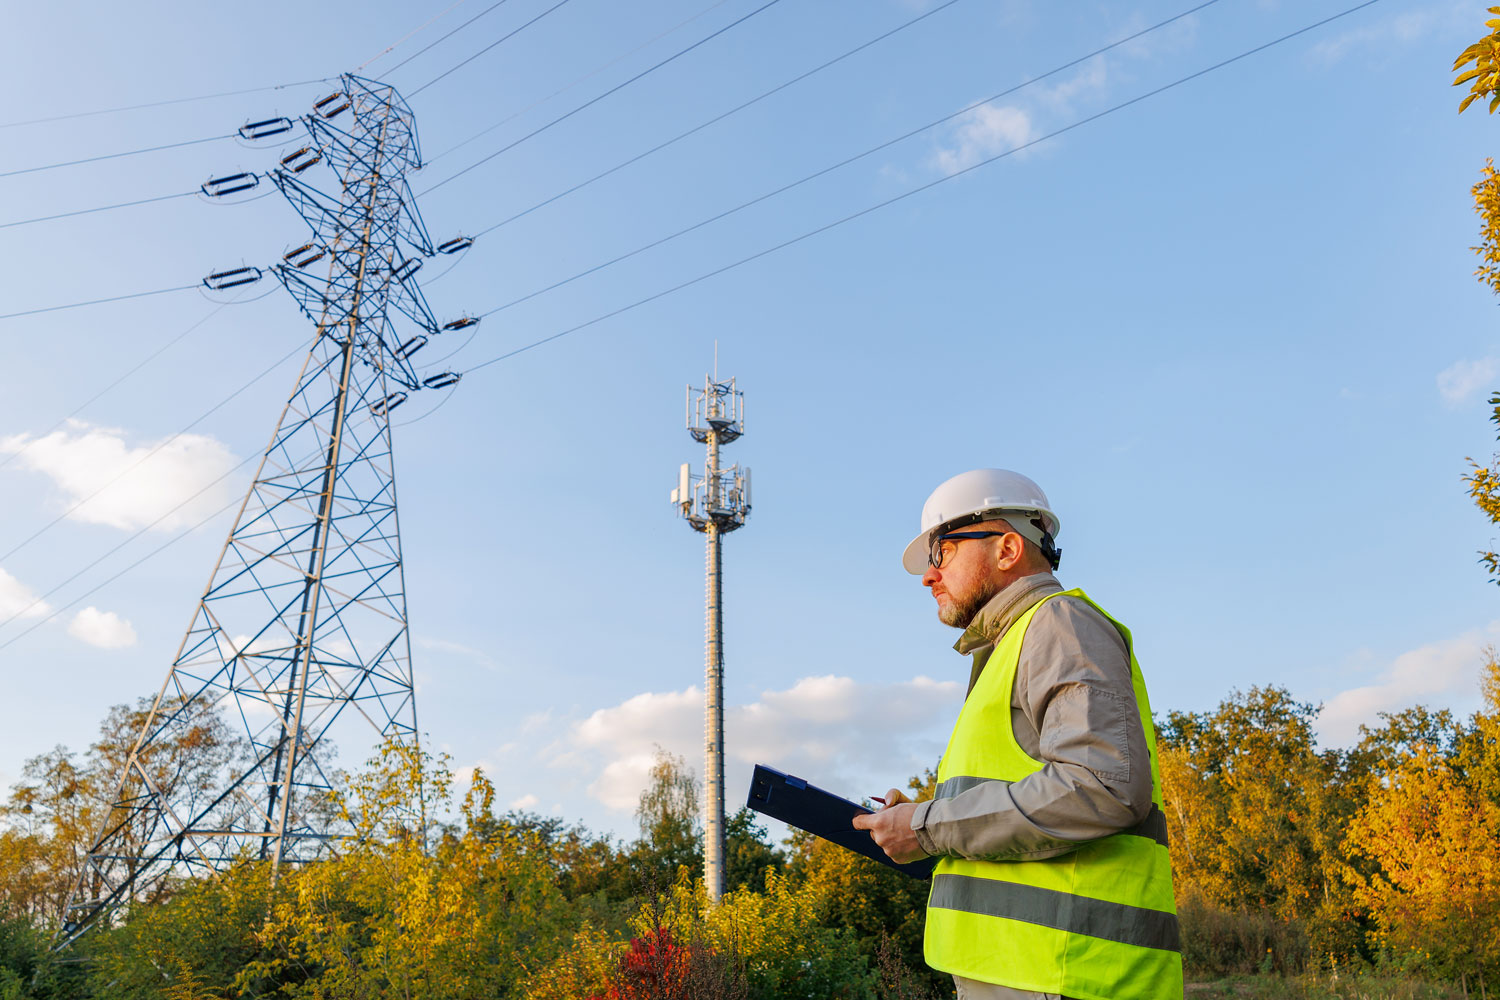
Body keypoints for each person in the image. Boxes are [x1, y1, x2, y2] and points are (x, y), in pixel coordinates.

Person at [853, 469, 1181, 1000]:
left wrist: (929, 824)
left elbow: (1102, 786)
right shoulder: (1016, 644)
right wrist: (920, 815)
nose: (928, 577)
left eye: (942, 552)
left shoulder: (1059, 624)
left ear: (1007, 548)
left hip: (1065, 975)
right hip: (1031, 974)